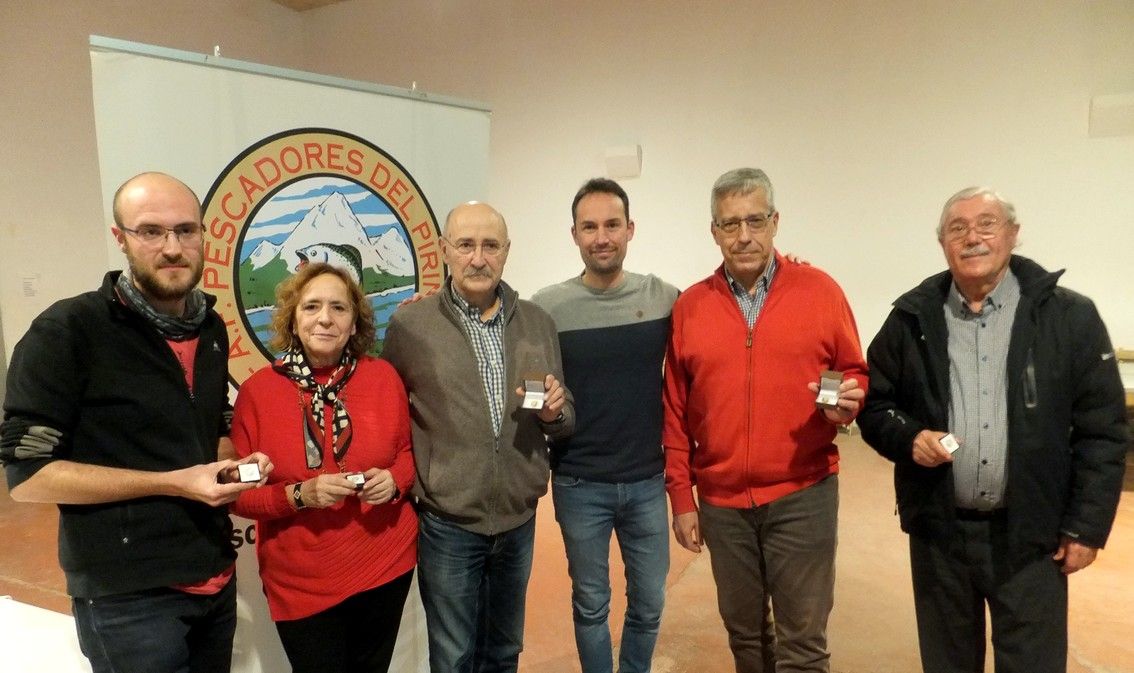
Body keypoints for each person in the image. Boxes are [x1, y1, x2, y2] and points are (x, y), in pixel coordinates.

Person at [0, 172, 271, 673]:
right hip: (128, 597)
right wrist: (174, 483)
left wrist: (232, 464)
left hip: (213, 571)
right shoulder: (66, 331)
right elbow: (29, 477)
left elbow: (212, 424)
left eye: (185, 230)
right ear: (120, 238)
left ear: (203, 235)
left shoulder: (210, 326)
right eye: (150, 231)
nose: (172, 247)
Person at [857, 187, 1128, 673]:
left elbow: (1102, 431)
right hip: (940, 534)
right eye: (957, 228)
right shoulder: (911, 318)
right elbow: (877, 404)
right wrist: (908, 437)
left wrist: (1085, 526)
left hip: (1032, 536)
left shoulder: (1068, 316)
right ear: (942, 242)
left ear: (1013, 234)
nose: (972, 237)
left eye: (987, 223)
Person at [663, 167, 867, 673]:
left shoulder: (821, 291)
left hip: (803, 492)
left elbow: (853, 370)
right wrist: (682, 497)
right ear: (714, 232)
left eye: (755, 220)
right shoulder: (691, 307)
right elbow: (675, 410)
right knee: (747, 640)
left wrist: (850, 401)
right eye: (730, 224)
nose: (744, 236)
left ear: (775, 222)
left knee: (804, 645)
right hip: (722, 503)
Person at [382, 201, 576, 672]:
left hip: (518, 520)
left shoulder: (538, 322)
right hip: (448, 525)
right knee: (453, 657)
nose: (478, 258)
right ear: (444, 249)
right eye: (466, 245)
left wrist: (555, 413)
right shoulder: (411, 325)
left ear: (506, 252)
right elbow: (390, 419)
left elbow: (565, 414)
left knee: (504, 652)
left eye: (490, 246)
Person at [229, 262, 417, 672]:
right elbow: (237, 496)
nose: (325, 318)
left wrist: (394, 481)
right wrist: (299, 495)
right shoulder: (258, 392)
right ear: (293, 320)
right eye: (312, 306)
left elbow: (407, 454)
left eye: (339, 307)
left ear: (355, 323)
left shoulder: (384, 378)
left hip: (385, 563)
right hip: (299, 580)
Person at [531, 178, 678, 673]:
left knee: (650, 603)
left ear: (630, 229)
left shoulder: (662, 298)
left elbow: (717, 306)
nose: (601, 237)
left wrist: (783, 271)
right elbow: (493, 314)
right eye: (589, 227)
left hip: (647, 480)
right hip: (579, 483)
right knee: (591, 604)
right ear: (574, 234)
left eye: (612, 225)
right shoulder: (548, 307)